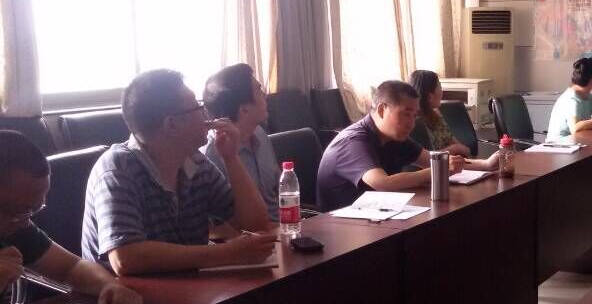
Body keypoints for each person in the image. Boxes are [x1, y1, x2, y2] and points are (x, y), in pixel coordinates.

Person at [81, 69, 275, 275]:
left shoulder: (197, 163)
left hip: (185, 286)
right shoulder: (117, 170)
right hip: (123, 292)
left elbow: (255, 225)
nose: (206, 115)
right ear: (171, 125)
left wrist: (232, 158)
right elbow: (125, 259)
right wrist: (227, 254)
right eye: (198, 107)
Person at [0, 131, 141, 304]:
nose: (24, 221)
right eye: (18, 211)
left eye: (33, 210)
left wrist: (110, 286)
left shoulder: (17, 226)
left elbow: (71, 267)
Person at [315, 80, 498, 211]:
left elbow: (432, 159)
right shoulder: (354, 141)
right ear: (382, 110)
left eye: (414, 115)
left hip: (378, 214)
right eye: (405, 114)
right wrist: (439, 170)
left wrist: (486, 164)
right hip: (342, 225)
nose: (411, 123)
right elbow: (382, 183)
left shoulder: (393, 136)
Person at [201, 64, 281, 222]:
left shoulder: (260, 134)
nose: (264, 94)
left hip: (284, 227)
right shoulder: (214, 153)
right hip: (250, 234)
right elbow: (222, 222)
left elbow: (280, 191)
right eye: (258, 89)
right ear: (244, 108)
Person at [545, 57, 592, 140]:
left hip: (576, 142)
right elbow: (575, 128)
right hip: (559, 145)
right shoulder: (571, 99)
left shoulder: (587, 96)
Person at [409, 70, 470, 157]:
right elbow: (425, 159)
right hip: (437, 164)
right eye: (439, 87)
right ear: (430, 96)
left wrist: (460, 149)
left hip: (451, 162)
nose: (442, 91)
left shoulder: (435, 115)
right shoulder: (413, 124)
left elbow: (461, 147)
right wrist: (453, 149)